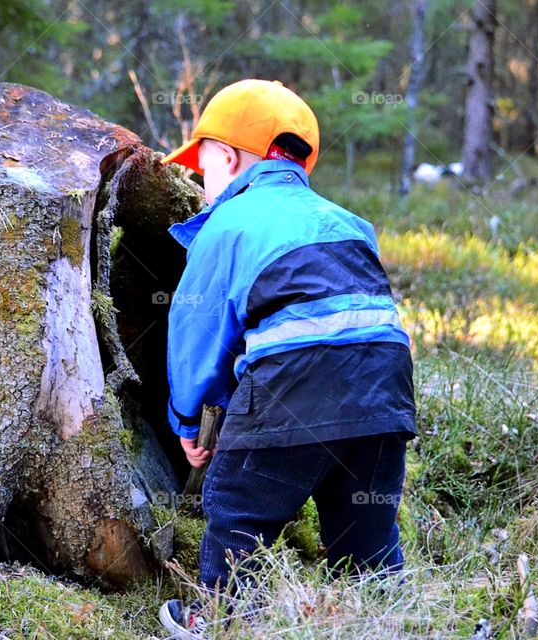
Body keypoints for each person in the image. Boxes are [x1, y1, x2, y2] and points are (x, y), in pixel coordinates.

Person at [156, 79, 417, 638]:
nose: (203, 189)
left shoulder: (227, 224)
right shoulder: (350, 223)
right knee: (365, 529)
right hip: (385, 393)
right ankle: (392, 617)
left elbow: (198, 330)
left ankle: (221, 619)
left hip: (290, 389)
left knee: (240, 506)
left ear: (226, 157)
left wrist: (188, 418)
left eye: (204, 173)